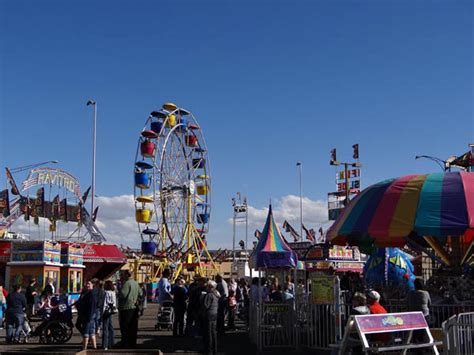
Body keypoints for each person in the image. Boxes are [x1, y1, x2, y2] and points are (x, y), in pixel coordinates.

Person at [118, 270, 141, 348]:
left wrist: (118, 292)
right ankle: (132, 343)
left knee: (125, 327)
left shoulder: (127, 283)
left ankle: (125, 343)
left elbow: (123, 294)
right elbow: (140, 293)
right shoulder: (136, 283)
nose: (122, 276)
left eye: (123, 274)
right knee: (133, 327)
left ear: (127, 275)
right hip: (134, 307)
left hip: (126, 307)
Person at [75, 280, 99, 350]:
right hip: (87, 315)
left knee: (86, 333)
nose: (87, 285)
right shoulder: (87, 292)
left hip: (88, 315)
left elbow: (92, 306)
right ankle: (94, 347)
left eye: (89, 284)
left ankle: (84, 348)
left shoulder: (91, 293)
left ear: (92, 285)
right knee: (91, 333)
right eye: (86, 284)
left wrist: (89, 316)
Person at [201, 280, 220, 355]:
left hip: (208, 314)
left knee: (208, 333)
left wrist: (202, 298)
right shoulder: (216, 294)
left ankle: (209, 350)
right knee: (213, 333)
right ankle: (214, 349)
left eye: (207, 286)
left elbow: (205, 306)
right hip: (214, 314)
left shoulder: (209, 295)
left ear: (210, 287)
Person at [102, 280, 117, 350]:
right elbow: (114, 303)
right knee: (111, 327)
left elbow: (104, 303)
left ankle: (105, 345)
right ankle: (112, 343)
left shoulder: (105, 293)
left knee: (105, 328)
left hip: (106, 311)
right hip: (111, 311)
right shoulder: (113, 293)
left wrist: (102, 311)